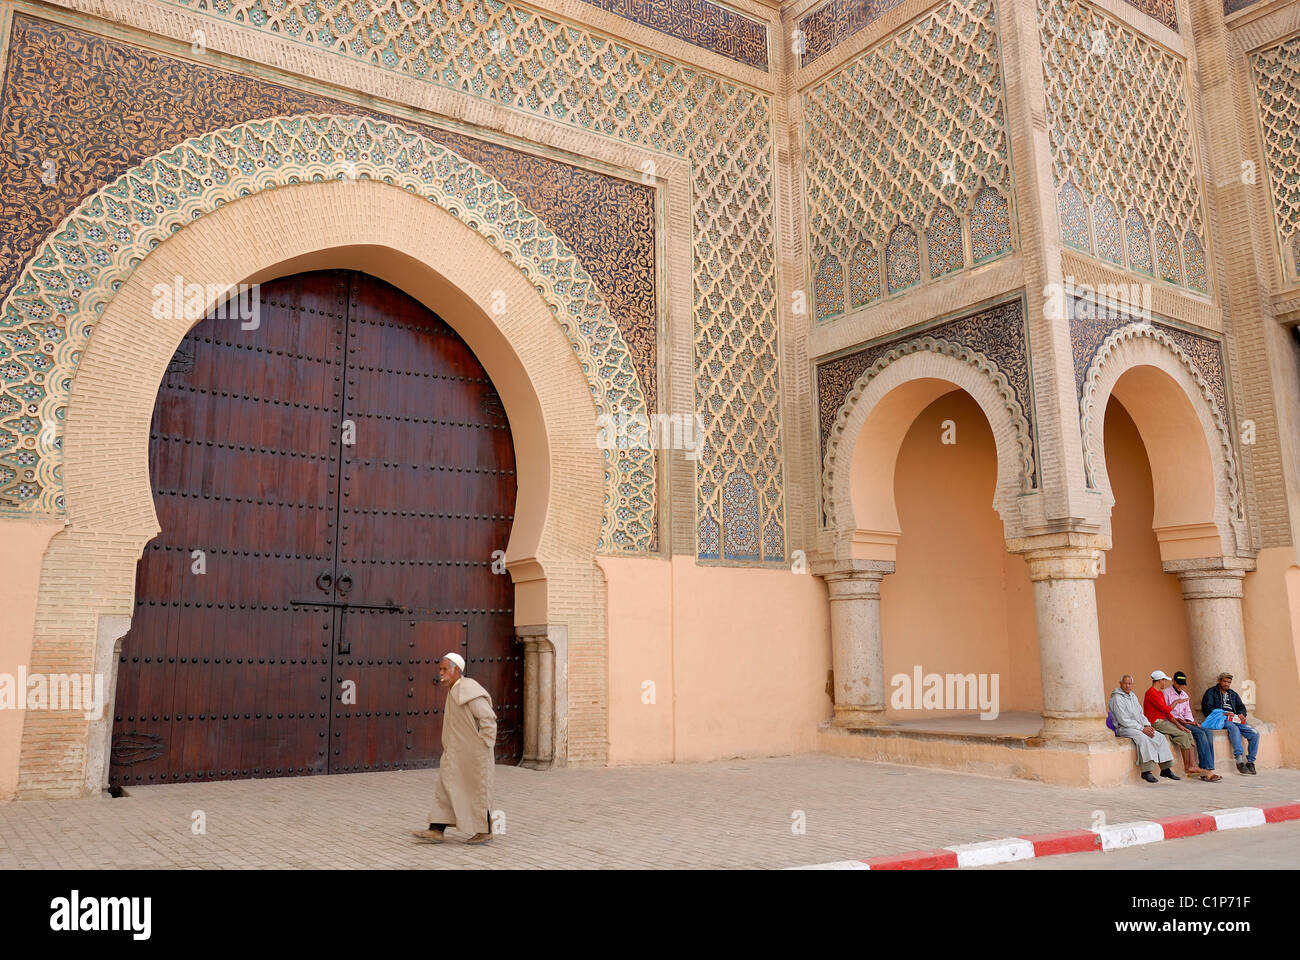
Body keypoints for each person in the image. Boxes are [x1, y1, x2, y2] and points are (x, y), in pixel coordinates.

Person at [412, 653, 498, 844]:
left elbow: (488, 720)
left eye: (444, 669)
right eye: (440, 669)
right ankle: (436, 830)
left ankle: (486, 831)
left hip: (473, 756)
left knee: (477, 791)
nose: (440, 674)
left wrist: (483, 746)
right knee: (445, 787)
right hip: (454, 754)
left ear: (456, 670)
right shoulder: (454, 690)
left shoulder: (470, 691)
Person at [1109, 674, 1178, 783]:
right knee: (1143, 738)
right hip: (1124, 728)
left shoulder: (1132, 696)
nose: (1127, 686)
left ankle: (1165, 768)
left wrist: (1147, 725)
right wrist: (1142, 729)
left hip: (1138, 726)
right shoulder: (1117, 698)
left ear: (1132, 685)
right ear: (1120, 683)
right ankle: (1146, 772)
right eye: (1125, 683)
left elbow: (1140, 714)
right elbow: (1123, 720)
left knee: (1159, 736)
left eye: (1129, 684)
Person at [1142, 670, 1203, 781]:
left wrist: (1179, 725)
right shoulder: (1151, 692)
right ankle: (1188, 767)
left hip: (1163, 721)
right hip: (1155, 722)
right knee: (1183, 735)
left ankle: (1192, 766)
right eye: (1164, 680)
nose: (1165, 683)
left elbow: (1167, 713)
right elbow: (1165, 709)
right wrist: (1177, 702)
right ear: (1160, 680)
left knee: (1187, 733)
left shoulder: (1159, 693)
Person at [1200, 672, 1258, 775]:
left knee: (1255, 733)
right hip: (1222, 719)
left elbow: (1241, 707)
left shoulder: (1232, 694)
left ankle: (1250, 762)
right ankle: (1239, 761)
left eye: (1229, 682)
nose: (1227, 684)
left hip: (1234, 718)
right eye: (1225, 681)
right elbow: (1206, 709)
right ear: (1219, 681)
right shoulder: (1211, 692)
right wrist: (1223, 713)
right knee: (1233, 728)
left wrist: (1241, 714)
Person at [1166, 671, 1220, 781]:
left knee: (1207, 732)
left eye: (1183, 684)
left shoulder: (1185, 695)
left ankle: (1209, 766)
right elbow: (1166, 711)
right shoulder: (1166, 693)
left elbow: (1188, 712)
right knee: (1200, 734)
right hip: (1174, 722)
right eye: (1179, 683)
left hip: (1186, 721)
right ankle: (1205, 770)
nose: (1181, 686)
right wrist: (1181, 721)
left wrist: (1190, 721)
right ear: (1173, 681)